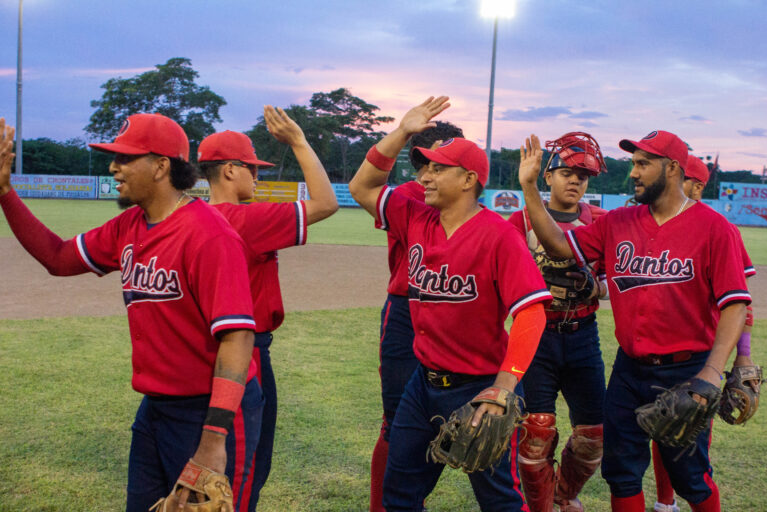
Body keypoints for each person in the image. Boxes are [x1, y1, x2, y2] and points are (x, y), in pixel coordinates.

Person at [0, 114, 261, 512]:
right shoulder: (130, 226)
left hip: (209, 412)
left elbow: (238, 338)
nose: (113, 168)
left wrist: (212, 440)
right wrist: (4, 192)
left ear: (161, 166)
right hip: (155, 408)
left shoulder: (210, 235)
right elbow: (57, 257)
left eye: (124, 159)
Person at [517, 130, 750, 512]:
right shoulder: (619, 222)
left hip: (686, 370)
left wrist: (712, 371)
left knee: (690, 477)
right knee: (621, 473)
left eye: (643, 164)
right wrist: (529, 189)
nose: (634, 174)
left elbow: (735, 305)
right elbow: (561, 245)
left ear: (672, 168)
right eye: (634, 164)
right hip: (628, 371)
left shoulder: (714, 228)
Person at [349, 96, 551, 512]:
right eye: (425, 166)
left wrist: (503, 387)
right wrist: (402, 130)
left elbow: (531, 312)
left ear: (468, 180)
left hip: (478, 389)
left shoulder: (498, 236)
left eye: (439, 168)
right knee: (399, 495)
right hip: (421, 386)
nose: (426, 175)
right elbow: (361, 187)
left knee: (500, 502)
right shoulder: (415, 217)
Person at [197, 105, 338, 509]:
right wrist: (299, 140)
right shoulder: (247, 220)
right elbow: (326, 202)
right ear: (229, 171)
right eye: (252, 169)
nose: (257, 176)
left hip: (202, 350)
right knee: (247, 467)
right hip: (247, 354)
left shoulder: (192, 217)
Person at [649, 153, 758, 512]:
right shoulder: (658, 223)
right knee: (659, 427)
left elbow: (743, 306)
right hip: (653, 354)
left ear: (696, 185)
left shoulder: (717, 229)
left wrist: (742, 356)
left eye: (690, 184)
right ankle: (665, 503)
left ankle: (683, 500)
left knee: (691, 444)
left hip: (700, 357)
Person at [508, 132, 609, 512]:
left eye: (582, 177)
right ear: (547, 176)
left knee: (594, 435)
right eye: (566, 172)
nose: (574, 182)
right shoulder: (518, 221)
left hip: (583, 335)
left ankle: (565, 496)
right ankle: (542, 507)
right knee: (536, 433)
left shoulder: (600, 220)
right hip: (537, 336)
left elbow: (613, 279)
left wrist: (596, 286)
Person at [369, 120, 465, 512]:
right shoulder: (411, 193)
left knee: (445, 420)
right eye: (442, 156)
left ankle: (408, 500)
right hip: (406, 309)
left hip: (453, 311)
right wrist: (403, 131)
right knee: (397, 423)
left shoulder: (462, 196)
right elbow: (367, 183)